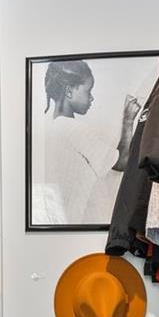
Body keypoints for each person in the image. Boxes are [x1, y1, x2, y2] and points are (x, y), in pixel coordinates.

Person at [33, 60, 112, 225]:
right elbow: (120, 163)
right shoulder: (73, 128)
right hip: (84, 224)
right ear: (69, 92)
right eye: (88, 91)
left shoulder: (49, 128)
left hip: (58, 221)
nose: (91, 97)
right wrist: (128, 120)